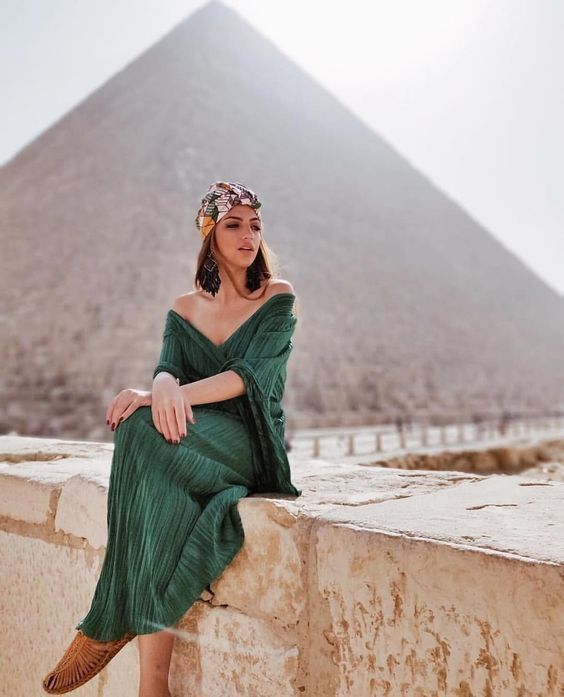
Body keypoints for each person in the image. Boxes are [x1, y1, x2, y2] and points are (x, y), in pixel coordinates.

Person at [42, 181, 302, 696]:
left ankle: (108, 618)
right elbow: (167, 367)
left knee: (144, 435)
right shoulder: (184, 309)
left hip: (249, 443)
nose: (248, 234)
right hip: (195, 436)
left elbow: (246, 379)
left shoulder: (277, 296)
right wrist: (157, 385)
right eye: (234, 224)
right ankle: (152, 686)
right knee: (155, 489)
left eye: (255, 225)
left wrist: (171, 395)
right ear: (209, 235)